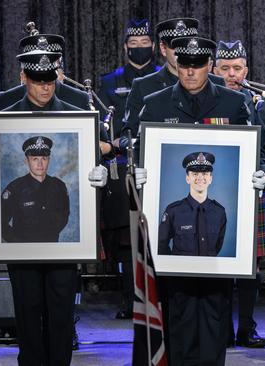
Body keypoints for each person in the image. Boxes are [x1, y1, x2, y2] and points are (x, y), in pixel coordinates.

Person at [0, 49, 108, 365]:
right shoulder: (4, 113)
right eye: (37, 80)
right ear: (23, 78)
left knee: (61, 312)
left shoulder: (78, 114)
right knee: (28, 310)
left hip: (62, 248)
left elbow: (96, 154)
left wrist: (99, 169)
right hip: (20, 249)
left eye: (49, 80)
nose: (45, 87)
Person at [137, 36, 265, 366]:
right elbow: (136, 148)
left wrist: (258, 172)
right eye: (184, 64)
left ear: (209, 65)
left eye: (197, 65)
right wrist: (136, 172)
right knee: (177, 316)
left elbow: (256, 149)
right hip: (175, 252)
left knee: (214, 316)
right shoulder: (155, 103)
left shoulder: (232, 102)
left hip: (215, 258)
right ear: (175, 63)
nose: (191, 72)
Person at [213, 40, 265, 348]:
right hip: (216, 188)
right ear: (215, 70)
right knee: (216, 265)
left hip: (254, 187)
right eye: (225, 68)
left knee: (252, 267)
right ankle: (221, 329)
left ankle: (246, 327)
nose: (232, 74)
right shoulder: (209, 101)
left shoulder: (257, 103)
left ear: (247, 70)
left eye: (237, 68)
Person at [96, 18, 160, 320]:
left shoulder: (163, 79)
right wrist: (117, 145)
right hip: (121, 165)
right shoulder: (110, 82)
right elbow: (106, 128)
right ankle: (127, 296)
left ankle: (154, 294)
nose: (139, 49)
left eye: (144, 44)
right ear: (125, 47)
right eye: (133, 45)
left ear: (154, 47)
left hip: (154, 158)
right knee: (124, 236)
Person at [120, 17, 225, 150]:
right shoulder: (144, 86)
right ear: (163, 49)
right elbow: (126, 136)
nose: (183, 50)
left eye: (188, 44)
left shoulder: (217, 83)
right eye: (176, 46)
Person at [0, 32, 90, 111]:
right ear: (23, 75)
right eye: (36, 57)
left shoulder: (78, 100)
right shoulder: (6, 101)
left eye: (51, 58)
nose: (44, 61)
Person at [1, 136, 69, 242]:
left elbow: (64, 215)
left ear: (49, 160)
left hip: (51, 248)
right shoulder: (14, 189)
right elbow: (0, 223)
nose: (40, 164)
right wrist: (17, 243)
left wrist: (50, 234)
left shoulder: (59, 186)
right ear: (27, 161)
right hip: (22, 252)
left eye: (44, 158)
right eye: (35, 159)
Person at [158, 152, 226, 256]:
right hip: (180, 270)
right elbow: (160, 245)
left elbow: (216, 247)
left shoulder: (219, 212)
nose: (200, 178)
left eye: (204, 174)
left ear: (210, 179)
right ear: (187, 178)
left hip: (209, 270)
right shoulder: (173, 211)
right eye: (194, 174)